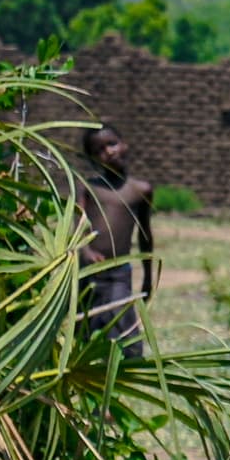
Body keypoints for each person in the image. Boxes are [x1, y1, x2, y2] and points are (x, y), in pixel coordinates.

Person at [76, 126, 156, 347]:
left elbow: (145, 235)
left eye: (112, 144)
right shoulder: (88, 187)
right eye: (99, 150)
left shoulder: (141, 190)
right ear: (92, 159)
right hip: (88, 272)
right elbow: (77, 223)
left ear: (124, 144)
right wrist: (86, 250)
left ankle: (127, 372)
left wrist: (148, 277)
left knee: (124, 333)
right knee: (83, 330)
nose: (108, 152)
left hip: (118, 273)